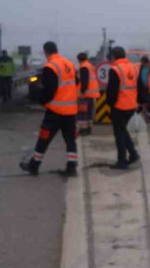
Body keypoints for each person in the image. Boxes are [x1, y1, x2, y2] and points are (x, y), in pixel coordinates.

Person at [20, 41, 79, 177]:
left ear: (46, 52)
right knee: (70, 140)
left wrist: (42, 101)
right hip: (70, 111)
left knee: (44, 139)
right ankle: (72, 167)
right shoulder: (69, 64)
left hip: (55, 112)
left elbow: (49, 90)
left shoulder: (50, 67)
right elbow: (76, 82)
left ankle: (33, 166)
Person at [106, 46, 140, 169]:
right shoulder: (134, 68)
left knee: (119, 134)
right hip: (131, 106)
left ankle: (122, 161)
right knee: (122, 130)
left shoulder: (115, 70)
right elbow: (139, 86)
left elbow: (111, 92)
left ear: (114, 56)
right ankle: (133, 154)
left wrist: (110, 105)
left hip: (119, 107)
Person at [77, 52, 100, 135]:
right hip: (92, 94)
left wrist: (82, 92)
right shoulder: (89, 65)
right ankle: (89, 129)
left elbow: (84, 81)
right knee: (89, 113)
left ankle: (83, 130)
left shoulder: (83, 67)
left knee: (83, 114)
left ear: (79, 60)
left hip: (85, 95)